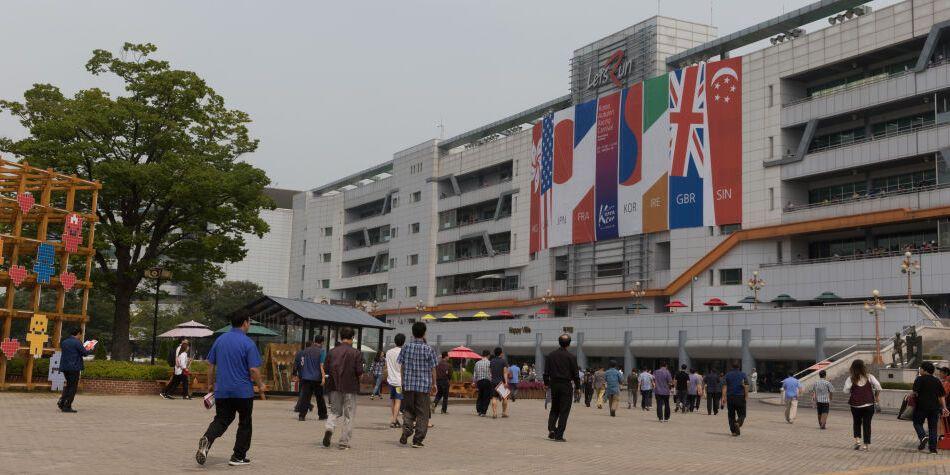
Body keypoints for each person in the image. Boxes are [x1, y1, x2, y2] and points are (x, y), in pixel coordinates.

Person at [195, 314, 265, 466]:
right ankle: (238, 456)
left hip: (223, 390)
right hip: (243, 392)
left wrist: (210, 384)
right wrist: (260, 385)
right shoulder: (248, 343)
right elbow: (253, 369)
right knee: (245, 422)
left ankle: (208, 437)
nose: (249, 325)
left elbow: (210, 365)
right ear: (245, 323)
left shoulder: (220, 340)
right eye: (249, 322)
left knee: (221, 419)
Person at [398, 322, 439, 448]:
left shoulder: (406, 347)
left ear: (412, 333)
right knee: (423, 414)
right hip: (423, 386)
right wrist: (434, 384)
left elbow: (402, 366)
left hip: (408, 385)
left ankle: (407, 430)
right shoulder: (429, 349)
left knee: (408, 410)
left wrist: (403, 381)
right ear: (424, 333)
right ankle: (417, 439)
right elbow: (433, 369)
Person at [322, 327, 363, 450]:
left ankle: (329, 428)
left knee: (334, 411)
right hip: (350, 386)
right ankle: (344, 442)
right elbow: (359, 372)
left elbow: (326, 368)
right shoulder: (356, 353)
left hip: (334, 386)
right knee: (349, 414)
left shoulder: (332, 352)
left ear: (340, 337)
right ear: (352, 338)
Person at [544, 333, 580, 442]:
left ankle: (551, 429)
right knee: (564, 410)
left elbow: (546, 372)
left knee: (554, 408)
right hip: (566, 385)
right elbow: (575, 374)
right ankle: (559, 435)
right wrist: (578, 387)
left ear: (559, 342)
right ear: (568, 344)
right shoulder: (571, 357)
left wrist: (546, 384)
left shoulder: (551, 355)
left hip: (554, 384)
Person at [843, 359, 881, 451]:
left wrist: (853, 390)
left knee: (856, 422)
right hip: (869, 404)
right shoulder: (869, 377)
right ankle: (866, 445)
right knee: (867, 424)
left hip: (855, 405)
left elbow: (845, 391)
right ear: (863, 367)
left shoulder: (851, 378)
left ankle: (857, 441)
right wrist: (876, 396)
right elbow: (878, 387)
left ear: (853, 368)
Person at [912, 361, 949, 454]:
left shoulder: (919, 379)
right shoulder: (937, 381)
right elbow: (941, 396)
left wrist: (911, 396)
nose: (920, 370)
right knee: (933, 428)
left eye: (920, 368)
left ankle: (923, 436)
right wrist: (944, 407)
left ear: (924, 370)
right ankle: (933, 449)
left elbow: (915, 393)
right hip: (934, 408)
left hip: (921, 406)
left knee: (917, 423)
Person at [58, 327, 91, 413]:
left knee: (68, 385)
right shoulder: (77, 342)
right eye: (81, 334)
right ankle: (67, 406)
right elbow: (85, 353)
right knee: (73, 387)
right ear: (79, 333)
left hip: (65, 367)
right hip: (74, 367)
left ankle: (62, 402)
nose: (81, 336)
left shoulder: (64, 342)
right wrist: (88, 348)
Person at [294, 336, 327, 421]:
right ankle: (322, 414)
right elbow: (321, 365)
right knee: (319, 397)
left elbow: (302, 362)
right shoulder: (321, 351)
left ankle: (302, 415)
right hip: (317, 378)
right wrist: (323, 377)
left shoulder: (306, 351)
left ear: (314, 341)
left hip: (306, 377)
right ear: (322, 342)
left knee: (305, 397)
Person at [722, 363, 748, 436]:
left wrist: (723, 398)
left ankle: (733, 431)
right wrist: (746, 396)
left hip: (730, 397)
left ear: (732, 367)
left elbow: (724, 387)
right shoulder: (743, 375)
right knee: (742, 414)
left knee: (731, 415)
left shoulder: (727, 375)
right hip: (740, 397)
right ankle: (738, 423)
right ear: (739, 367)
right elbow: (746, 386)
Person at [385, 333, 405, 428]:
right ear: (403, 342)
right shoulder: (403, 352)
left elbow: (386, 366)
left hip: (390, 380)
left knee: (392, 400)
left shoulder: (388, 352)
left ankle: (395, 419)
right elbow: (403, 367)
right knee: (398, 401)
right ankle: (393, 420)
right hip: (399, 381)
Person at [489, 347, 510, 418]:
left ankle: (494, 413)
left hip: (493, 381)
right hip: (501, 382)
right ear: (501, 353)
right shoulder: (503, 361)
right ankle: (504, 413)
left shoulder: (491, 361)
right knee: (505, 397)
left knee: (494, 397)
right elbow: (505, 372)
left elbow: (490, 372)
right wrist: (506, 382)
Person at [473, 350, 492, 416]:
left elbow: (475, 374)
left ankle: (479, 410)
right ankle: (483, 411)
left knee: (480, 395)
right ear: (488, 355)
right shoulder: (490, 363)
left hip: (479, 381)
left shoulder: (477, 363)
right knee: (486, 397)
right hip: (487, 381)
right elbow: (491, 373)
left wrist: (474, 382)